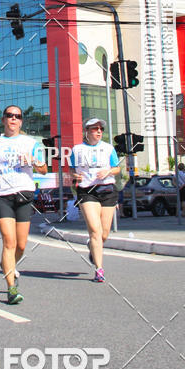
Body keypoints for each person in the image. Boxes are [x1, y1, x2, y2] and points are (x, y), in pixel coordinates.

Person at [0, 105, 47, 305]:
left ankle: (6, 264)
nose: (13, 119)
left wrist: (34, 162)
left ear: (21, 121)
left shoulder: (31, 143)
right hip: (1, 194)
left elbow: (43, 169)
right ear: (3, 120)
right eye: (10, 116)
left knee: (21, 245)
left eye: (17, 116)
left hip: (24, 193)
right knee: (8, 241)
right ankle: (11, 288)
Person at [70, 118, 120, 283]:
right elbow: (71, 170)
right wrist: (74, 175)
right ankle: (99, 269)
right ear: (86, 131)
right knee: (94, 230)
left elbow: (117, 168)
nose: (99, 132)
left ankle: (92, 246)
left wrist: (108, 172)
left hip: (107, 190)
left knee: (104, 234)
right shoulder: (77, 150)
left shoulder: (108, 148)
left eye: (101, 129)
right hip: (87, 192)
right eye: (95, 129)